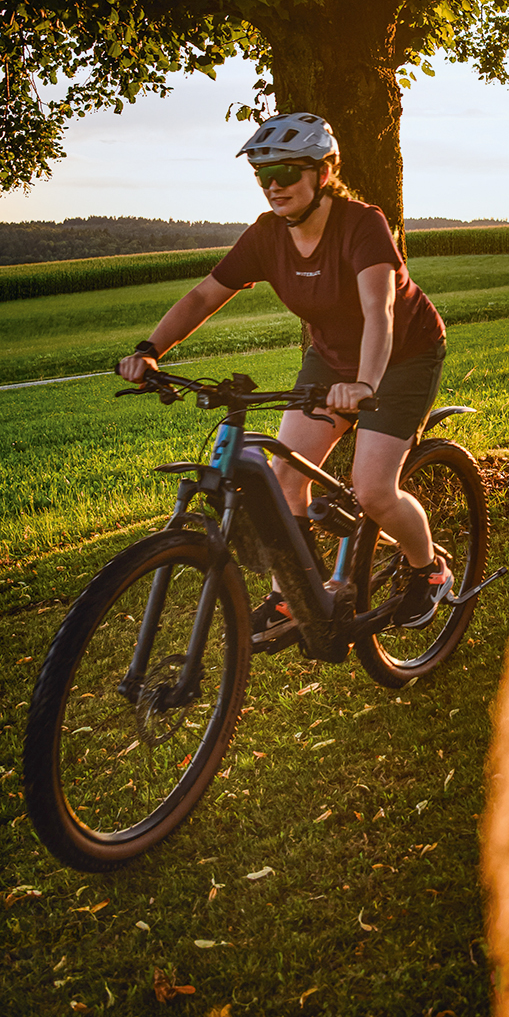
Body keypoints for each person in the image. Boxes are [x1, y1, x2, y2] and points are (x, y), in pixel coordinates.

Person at [116, 112, 451, 647]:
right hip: (331, 357)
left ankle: (429, 569)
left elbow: (379, 310)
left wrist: (365, 384)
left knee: (372, 489)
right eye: (262, 174)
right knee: (284, 475)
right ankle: (292, 594)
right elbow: (205, 295)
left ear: (323, 172)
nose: (274, 185)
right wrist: (150, 350)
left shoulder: (361, 223)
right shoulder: (267, 235)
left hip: (401, 357)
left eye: (287, 172)